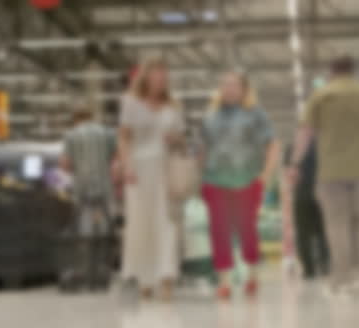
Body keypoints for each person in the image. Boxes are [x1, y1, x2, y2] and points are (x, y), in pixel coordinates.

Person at [291, 56, 359, 295]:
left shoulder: (320, 96)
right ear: (353, 70)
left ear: (332, 71)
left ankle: (342, 276)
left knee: (336, 223)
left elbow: (305, 134)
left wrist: (295, 164)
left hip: (331, 171)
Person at [200, 71, 280, 300]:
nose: (229, 89)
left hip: (247, 180)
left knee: (247, 229)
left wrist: (265, 175)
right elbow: (202, 149)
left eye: (234, 85)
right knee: (219, 231)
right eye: (224, 84)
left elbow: (272, 144)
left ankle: (252, 275)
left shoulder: (256, 115)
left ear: (244, 89)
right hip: (215, 181)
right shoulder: (210, 117)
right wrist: (199, 175)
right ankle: (224, 281)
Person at [116, 57, 185, 301]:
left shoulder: (174, 106)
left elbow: (181, 140)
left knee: (165, 224)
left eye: (164, 74)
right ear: (145, 76)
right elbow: (124, 138)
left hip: (164, 170)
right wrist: (127, 167)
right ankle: (145, 278)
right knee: (140, 224)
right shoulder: (130, 103)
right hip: (138, 170)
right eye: (156, 73)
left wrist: (174, 139)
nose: (161, 78)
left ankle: (166, 277)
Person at [59, 105, 116, 290]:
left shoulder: (71, 135)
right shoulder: (107, 133)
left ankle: (83, 272)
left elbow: (65, 165)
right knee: (103, 228)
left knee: (83, 231)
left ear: (76, 119)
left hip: (82, 191)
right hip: (103, 190)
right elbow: (115, 158)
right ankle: (102, 271)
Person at [292, 139, 330, 280]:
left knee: (303, 234)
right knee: (323, 231)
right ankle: (325, 265)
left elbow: (289, 176)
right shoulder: (326, 146)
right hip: (323, 193)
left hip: (301, 195)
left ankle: (308, 269)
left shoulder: (294, 148)